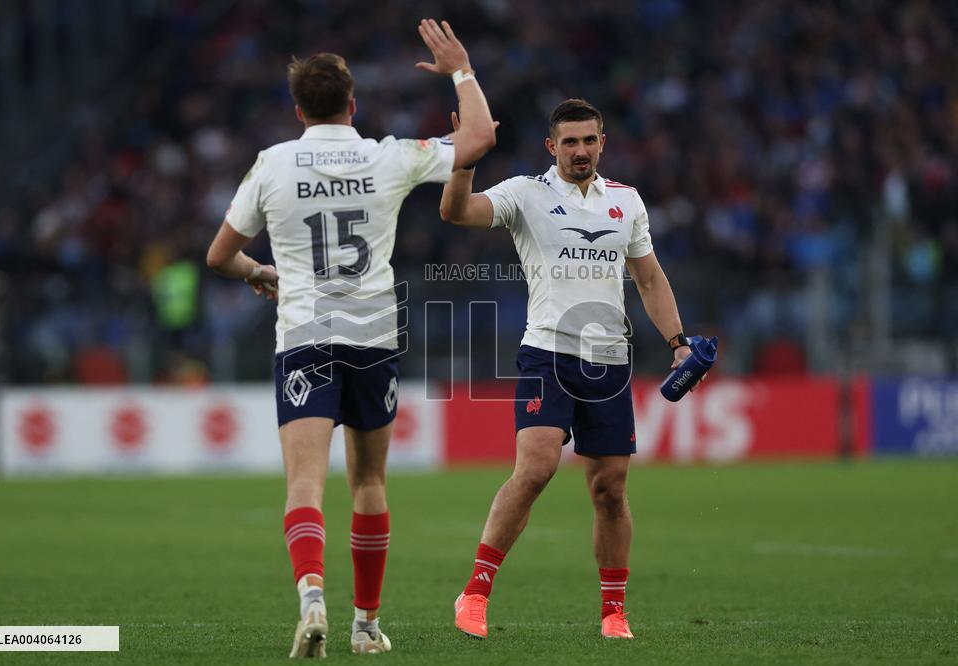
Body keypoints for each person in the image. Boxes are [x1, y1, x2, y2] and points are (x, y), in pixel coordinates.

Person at [206, 19, 496, 658]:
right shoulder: (386, 153)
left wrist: (260, 273)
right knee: (369, 484)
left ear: (298, 108)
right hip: (372, 337)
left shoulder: (272, 165)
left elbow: (219, 255)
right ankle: (366, 625)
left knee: (304, 486)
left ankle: (313, 600)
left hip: (306, 333)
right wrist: (461, 69)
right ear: (353, 104)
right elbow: (478, 139)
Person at [439, 98, 702, 640]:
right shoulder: (525, 193)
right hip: (547, 352)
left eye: (589, 141)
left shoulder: (626, 203)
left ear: (602, 143)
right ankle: (476, 594)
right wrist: (463, 161)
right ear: (551, 147)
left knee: (610, 488)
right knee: (535, 469)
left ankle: (613, 612)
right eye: (570, 141)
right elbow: (456, 213)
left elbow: (649, 280)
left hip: (609, 358)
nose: (580, 150)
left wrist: (678, 343)